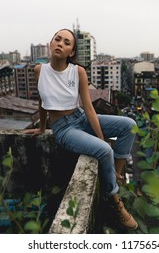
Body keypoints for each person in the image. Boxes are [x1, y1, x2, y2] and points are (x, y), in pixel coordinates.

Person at [25, 28, 138, 230]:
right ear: (50, 44)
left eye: (66, 42)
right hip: (63, 129)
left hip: (81, 117)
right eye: (57, 39)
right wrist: (42, 127)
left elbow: (88, 108)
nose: (60, 43)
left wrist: (101, 137)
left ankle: (116, 175)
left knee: (130, 126)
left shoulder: (78, 72)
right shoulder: (39, 70)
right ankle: (114, 201)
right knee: (104, 150)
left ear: (71, 52)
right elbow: (42, 101)